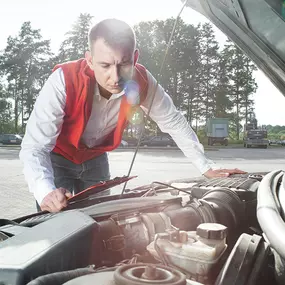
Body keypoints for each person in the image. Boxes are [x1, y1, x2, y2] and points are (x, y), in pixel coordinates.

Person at [19, 18, 246, 213]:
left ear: (135, 57)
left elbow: (173, 121)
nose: (115, 77)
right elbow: (35, 147)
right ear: (89, 60)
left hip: (96, 160)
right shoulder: (63, 81)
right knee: (56, 224)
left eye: (124, 64)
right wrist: (45, 191)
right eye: (105, 65)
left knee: (98, 221)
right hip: (57, 160)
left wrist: (206, 166)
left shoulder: (143, 80)